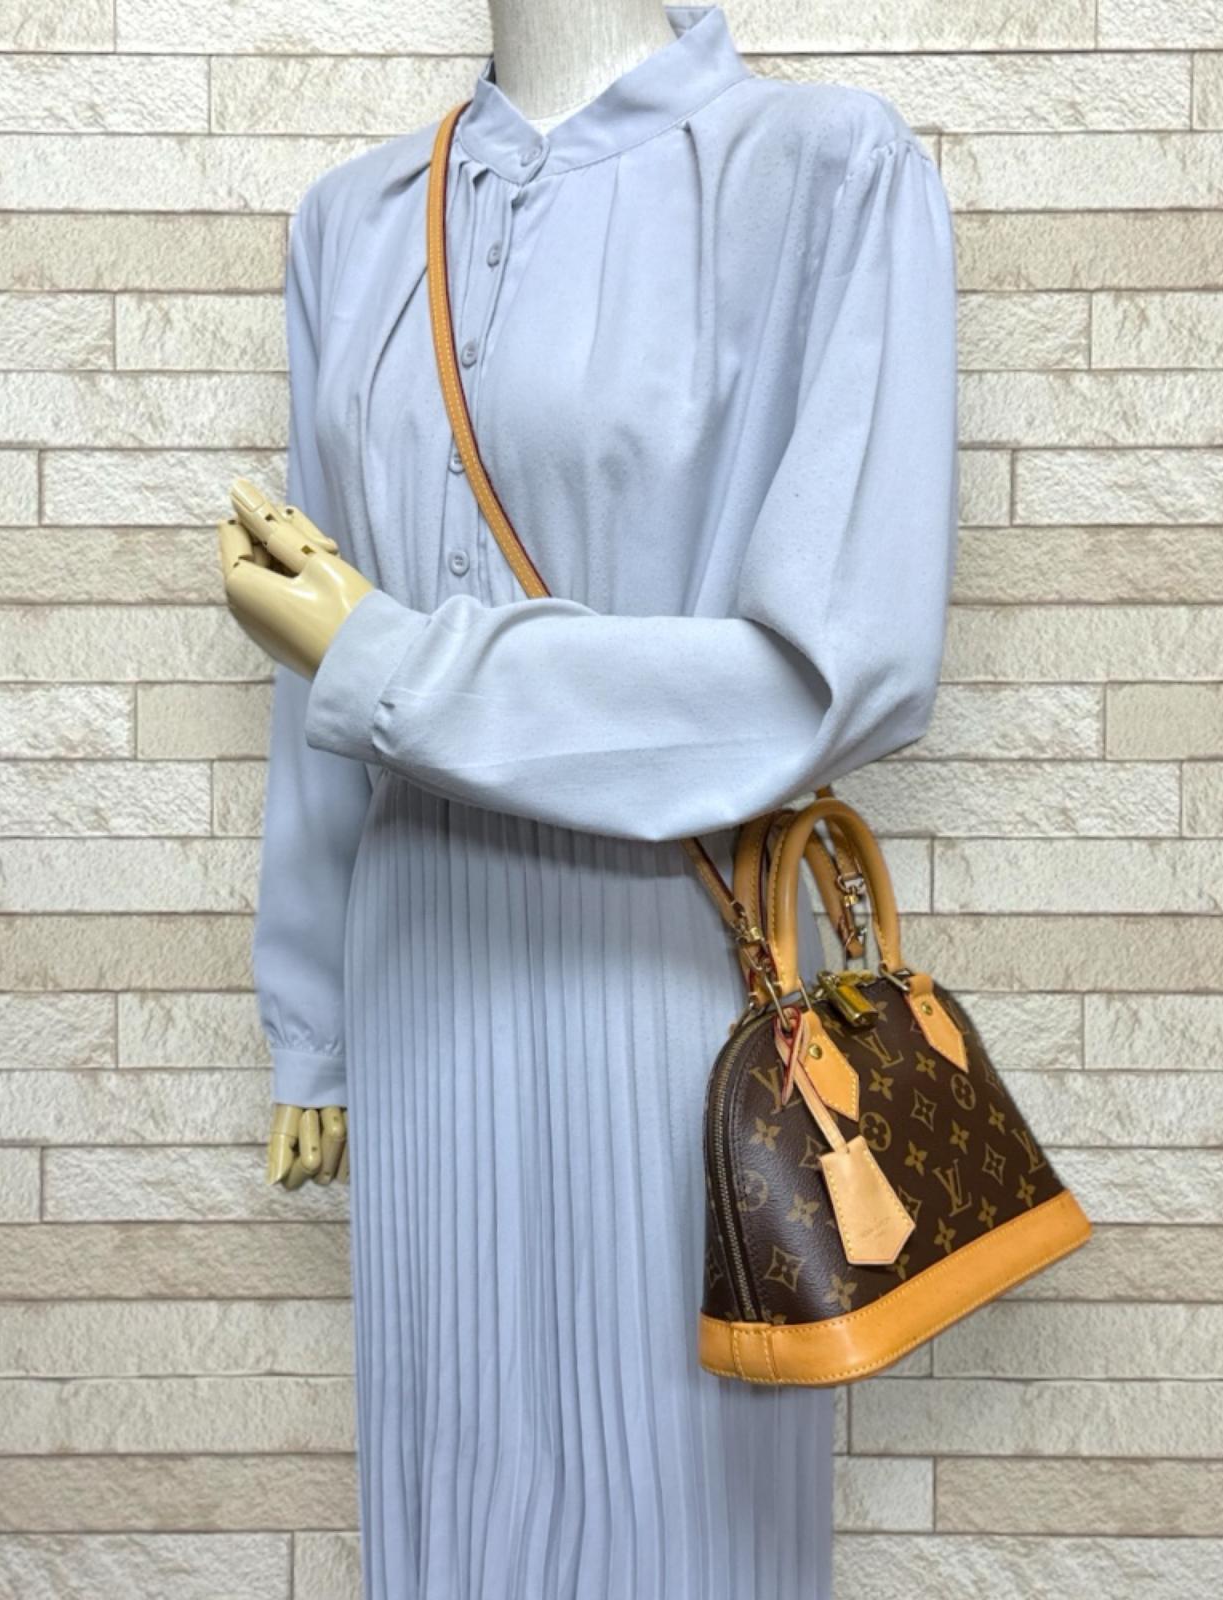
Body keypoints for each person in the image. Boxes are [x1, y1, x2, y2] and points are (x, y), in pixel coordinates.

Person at [222, 4, 959, 1594]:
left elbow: (838, 671)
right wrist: (313, 1020)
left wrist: (401, 666)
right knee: (454, 1491)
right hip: (421, 969)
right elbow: (317, 670)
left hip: (670, 982)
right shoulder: (354, 222)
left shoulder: (820, 171)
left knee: (675, 1512)